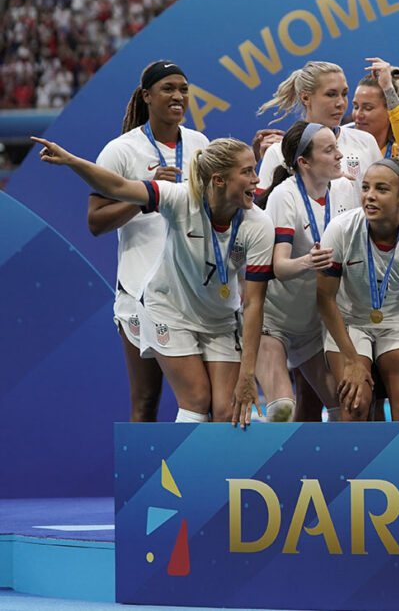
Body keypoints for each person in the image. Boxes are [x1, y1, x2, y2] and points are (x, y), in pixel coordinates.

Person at [37, 135, 273, 426]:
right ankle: (182, 472)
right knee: (197, 401)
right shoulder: (180, 198)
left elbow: (253, 303)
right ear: (219, 180)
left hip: (220, 319)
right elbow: (118, 187)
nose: (256, 178)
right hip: (168, 311)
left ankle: (212, 472)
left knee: (227, 412)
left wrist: (248, 375)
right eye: (247, 171)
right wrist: (71, 160)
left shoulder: (259, 225)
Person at [88, 60, 210, 422]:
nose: (178, 96)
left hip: (194, 289)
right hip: (140, 289)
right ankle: (144, 481)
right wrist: (146, 196)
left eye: (184, 89)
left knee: (207, 400)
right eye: (168, 88)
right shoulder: (121, 151)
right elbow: (95, 221)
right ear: (147, 96)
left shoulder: (200, 144)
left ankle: (199, 476)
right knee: (146, 400)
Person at [316, 159, 399, 421]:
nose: (370, 196)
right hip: (350, 322)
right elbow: (325, 298)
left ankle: (397, 463)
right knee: (354, 406)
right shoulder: (341, 229)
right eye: (365, 188)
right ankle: (354, 462)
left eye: (381, 189)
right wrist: (352, 358)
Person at [255, 121, 359, 421]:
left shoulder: (345, 188)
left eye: (337, 147)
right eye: (329, 150)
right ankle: (267, 466)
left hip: (315, 325)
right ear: (304, 162)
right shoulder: (284, 196)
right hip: (273, 322)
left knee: (346, 410)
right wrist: (308, 262)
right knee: (283, 410)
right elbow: (279, 267)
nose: (339, 155)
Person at [255, 60, 382, 193]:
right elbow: (265, 209)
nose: (341, 103)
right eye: (331, 94)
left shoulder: (366, 141)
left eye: (344, 94)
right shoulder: (278, 152)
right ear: (305, 98)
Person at [351, 59, 399, 157]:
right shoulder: (343, 144)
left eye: (368, 108)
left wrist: (387, 88)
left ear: (390, 111)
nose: (358, 114)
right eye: (356, 107)